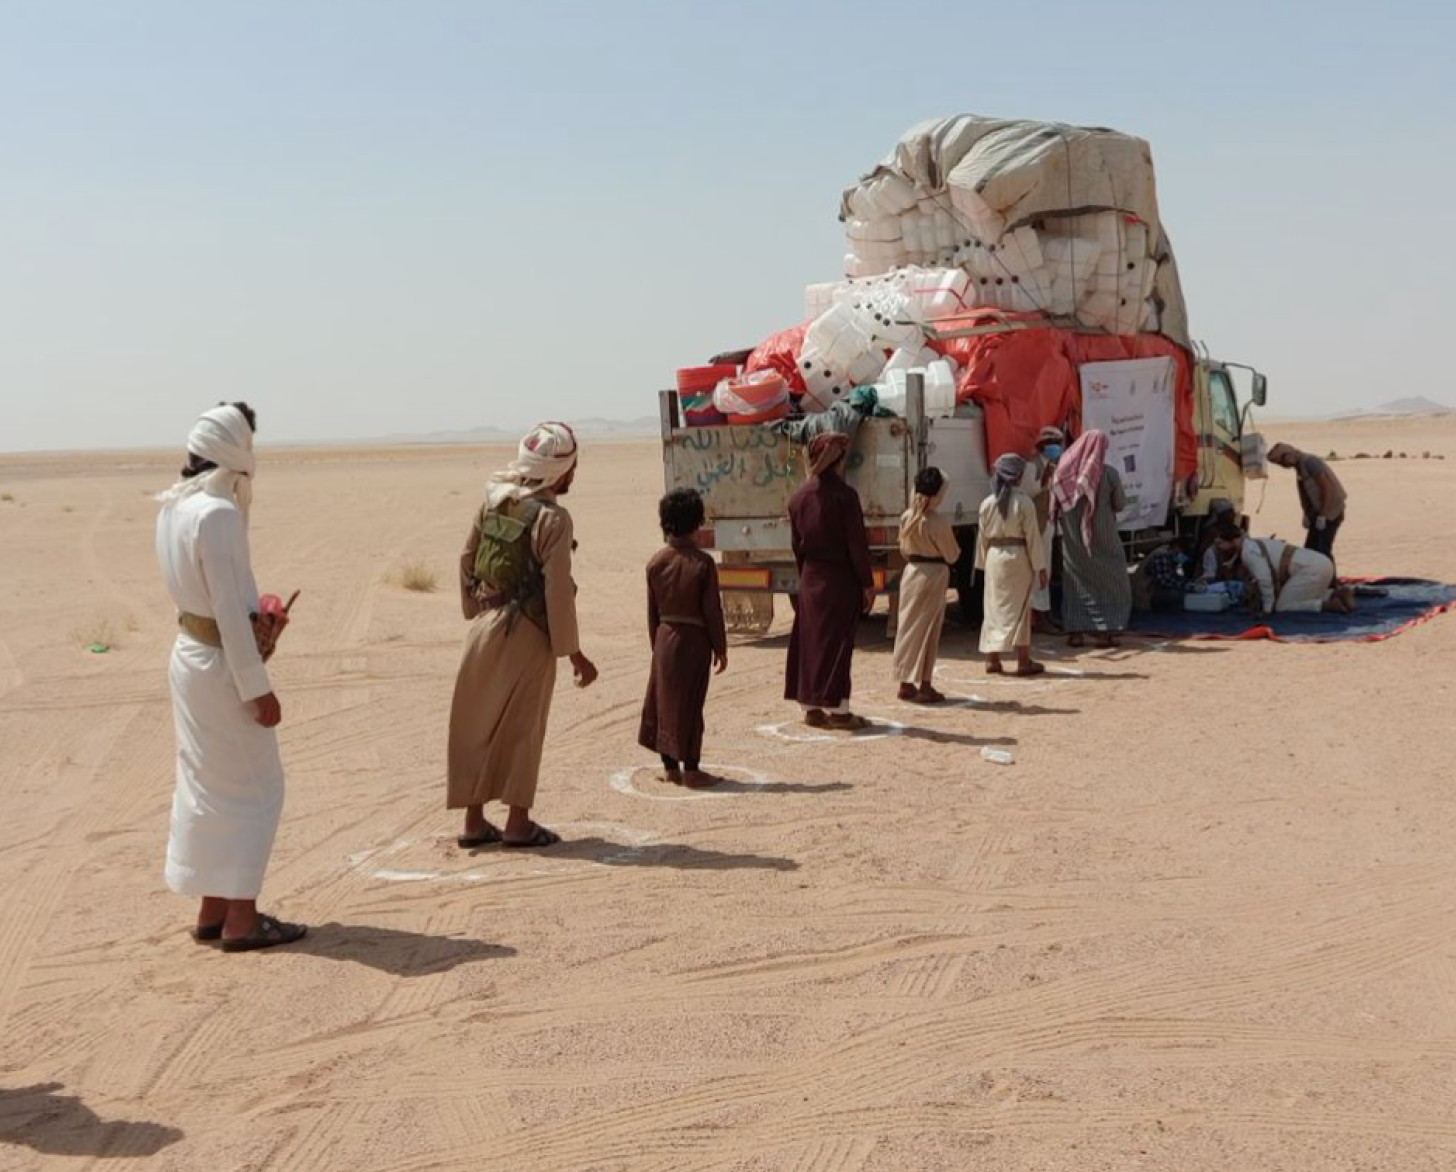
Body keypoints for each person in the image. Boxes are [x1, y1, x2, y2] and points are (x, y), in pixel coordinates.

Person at [155, 403, 306, 953]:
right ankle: (243, 917)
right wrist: (257, 688)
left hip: (189, 657)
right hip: (220, 665)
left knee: (206, 783)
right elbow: (225, 611)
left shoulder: (174, 506)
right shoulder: (215, 513)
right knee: (255, 788)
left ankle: (212, 907)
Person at [448, 422, 599, 849]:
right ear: (559, 472)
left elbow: (466, 560)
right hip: (527, 633)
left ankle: (473, 821)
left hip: (482, 625)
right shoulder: (553, 519)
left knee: (475, 724)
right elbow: (557, 592)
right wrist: (574, 654)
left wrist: (473, 612)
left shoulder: (492, 501)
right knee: (522, 727)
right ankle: (518, 823)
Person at [784, 432, 875, 731]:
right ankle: (839, 711)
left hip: (811, 576)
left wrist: (806, 575)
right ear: (839, 458)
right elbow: (856, 545)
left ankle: (810, 708)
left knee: (809, 642)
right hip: (840, 578)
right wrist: (866, 582)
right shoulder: (845, 497)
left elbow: (797, 545)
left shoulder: (798, 498)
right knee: (837, 644)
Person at [639, 488, 728, 787]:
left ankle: (670, 768)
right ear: (696, 523)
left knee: (663, 701)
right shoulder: (702, 564)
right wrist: (720, 647)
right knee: (690, 704)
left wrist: (658, 645)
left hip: (665, 637)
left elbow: (652, 613)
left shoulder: (656, 562)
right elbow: (712, 611)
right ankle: (691, 768)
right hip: (694, 640)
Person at [1052, 429, 1132, 648]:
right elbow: (1120, 504)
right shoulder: (1109, 474)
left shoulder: (1061, 474)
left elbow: (1055, 506)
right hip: (1104, 540)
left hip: (1073, 543)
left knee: (1076, 583)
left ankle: (1076, 632)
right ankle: (1106, 632)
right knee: (1115, 583)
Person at [892, 466, 960, 703]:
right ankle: (925, 685)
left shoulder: (906, 517)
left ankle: (905, 682)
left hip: (911, 572)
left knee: (908, 627)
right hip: (934, 574)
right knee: (929, 629)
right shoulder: (938, 521)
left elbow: (902, 550)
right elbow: (952, 555)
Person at [977, 454, 1049, 675]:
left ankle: (992, 659)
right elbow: (1033, 538)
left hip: (994, 558)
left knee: (993, 608)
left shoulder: (986, 504)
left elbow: (982, 539)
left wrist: (982, 565)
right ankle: (1023, 660)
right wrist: (1041, 567)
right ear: (1018, 476)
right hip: (1018, 557)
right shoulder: (1025, 502)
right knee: (1021, 609)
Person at [1214, 520, 1356, 615]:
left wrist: (1267, 608)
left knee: (1283, 606)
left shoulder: (1249, 553)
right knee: (1304, 594)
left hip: (1311, 570)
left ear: (1232, 541)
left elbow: (1265, 580)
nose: (1219, 548)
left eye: (1221, 544)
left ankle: (1328, 606)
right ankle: (1335, 595)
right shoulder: (1252, 543)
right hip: (1320, 564)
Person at [1267, 443, 1347, 565]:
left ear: (1287, 455)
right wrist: (1307, 514)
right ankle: (1320, 577)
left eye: (1281, 462)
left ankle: (1330, 581)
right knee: (1310, 550)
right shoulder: (1299, 466)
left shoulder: (1310, 462)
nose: (1282, 466)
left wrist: (1323, 515)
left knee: (1322, 550)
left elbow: (1327, 488)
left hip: (1331, 511)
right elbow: (1306, 493)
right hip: (1318, 512)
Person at [1021, 426, 1064, 627]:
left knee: (1046, 568)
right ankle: (1036, 615)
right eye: (1051, 444)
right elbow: (1027, 494)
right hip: (1036, 525)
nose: (1055, 447)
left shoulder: (1055, 465)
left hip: (1048, 524)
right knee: (1038, 569)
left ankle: (1044, 611)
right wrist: (1044, 480)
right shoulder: (1032, 466)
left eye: (1058, 443)